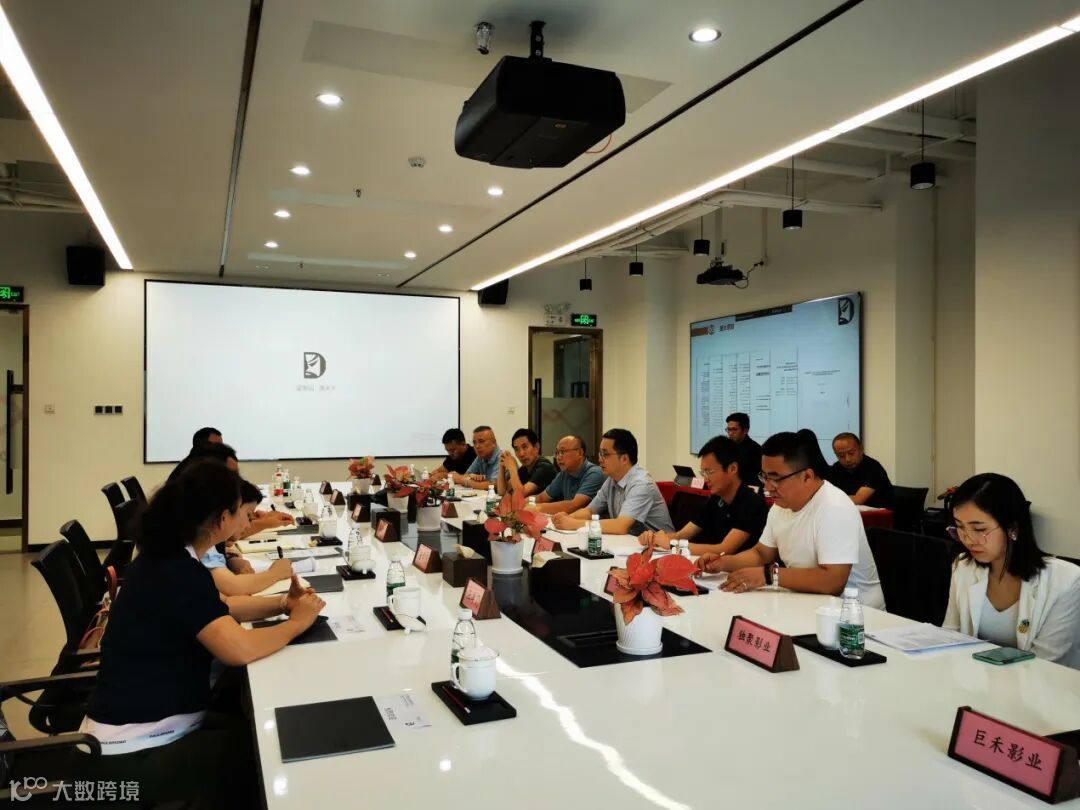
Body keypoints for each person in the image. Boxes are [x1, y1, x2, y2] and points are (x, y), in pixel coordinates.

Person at [77, 462, 325, 806]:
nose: (245, 521)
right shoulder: (177, 573)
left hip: (137, 729)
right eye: (240, 512)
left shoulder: (169, 559)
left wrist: (283, 603)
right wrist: (298, 623)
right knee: (270, 756)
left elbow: (222, 608)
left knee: (252, 722)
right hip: (132, 754)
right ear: (221, 519)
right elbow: (238, 649)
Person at [699, 429, 885, 609]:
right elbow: (761, 554)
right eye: (764, 477)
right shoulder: (780, 506)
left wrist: (769, 575)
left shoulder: (834, 507)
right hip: (809, 603)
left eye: (776, 478)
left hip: (856, 614)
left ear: (807, 476)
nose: (768, 487)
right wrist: (724, 563)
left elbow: (833, 581)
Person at [944, 473, 1080, 669]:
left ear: (1013, 528)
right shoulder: (964, 566)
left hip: (1038, 684)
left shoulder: (1066, 580)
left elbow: (1046, 665)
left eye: (979, 529)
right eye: (959, 527)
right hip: (975, 680)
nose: (968, 539)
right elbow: (950, 636)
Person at [639, 435, 768, 556]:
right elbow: (681, 535)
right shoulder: (716, 499)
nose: (706, 479)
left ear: (732, 469)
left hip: (734, 569)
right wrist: (653, 538)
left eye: (709, 472)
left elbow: (724, 549)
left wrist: (673, 546)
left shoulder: (752, 503)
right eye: (703, 473)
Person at [551, 428, 674, 535]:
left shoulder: (641, 484)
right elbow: (590, 511)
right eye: (600, 454)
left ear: (624, 459)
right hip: (630, 543)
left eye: (605, 454)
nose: (600, 459)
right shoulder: (612, 479)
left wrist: (574, 523)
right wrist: (566, 518)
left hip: (660, 548)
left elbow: (620, 526)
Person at [202, 480, 294, 596]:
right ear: (225, 514)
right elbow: (232, 588)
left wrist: (230, 559)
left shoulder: (207, 540)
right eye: (248, 515)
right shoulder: (203, 546)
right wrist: (276, 573)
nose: (248, 524)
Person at [534, 435, 606, 514]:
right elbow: (541, 498)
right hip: (571, 519)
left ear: (580, 453)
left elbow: (574, 505)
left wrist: (535, 507)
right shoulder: (564, 474)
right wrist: (525, 504)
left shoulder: (594, 473)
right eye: (557, 453)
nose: (558, 457)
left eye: (562, 452)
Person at [827, 432, 894, 509]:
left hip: (879, 513)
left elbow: (858, 500)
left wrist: (830, 500)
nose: (847, 459)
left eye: (851, 453)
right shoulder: (836, 468)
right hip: (849, 511)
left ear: (861, 449)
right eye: (841, 455)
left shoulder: (873, 468)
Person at [496, 428, 557, 496]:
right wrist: (501, 466)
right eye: (517, 449)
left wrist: (512, 467)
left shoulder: (544, 467)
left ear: (536, 447)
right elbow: (502, 492)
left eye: (524, 447)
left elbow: (520, 494)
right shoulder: (525, 468)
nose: (521, 454)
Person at [726, 412, 762, 485]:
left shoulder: (756, 450)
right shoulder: (725, 447)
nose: (730, 433)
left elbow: (757, 478)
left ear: (745, 430)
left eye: (734, 429)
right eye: (728, 430)